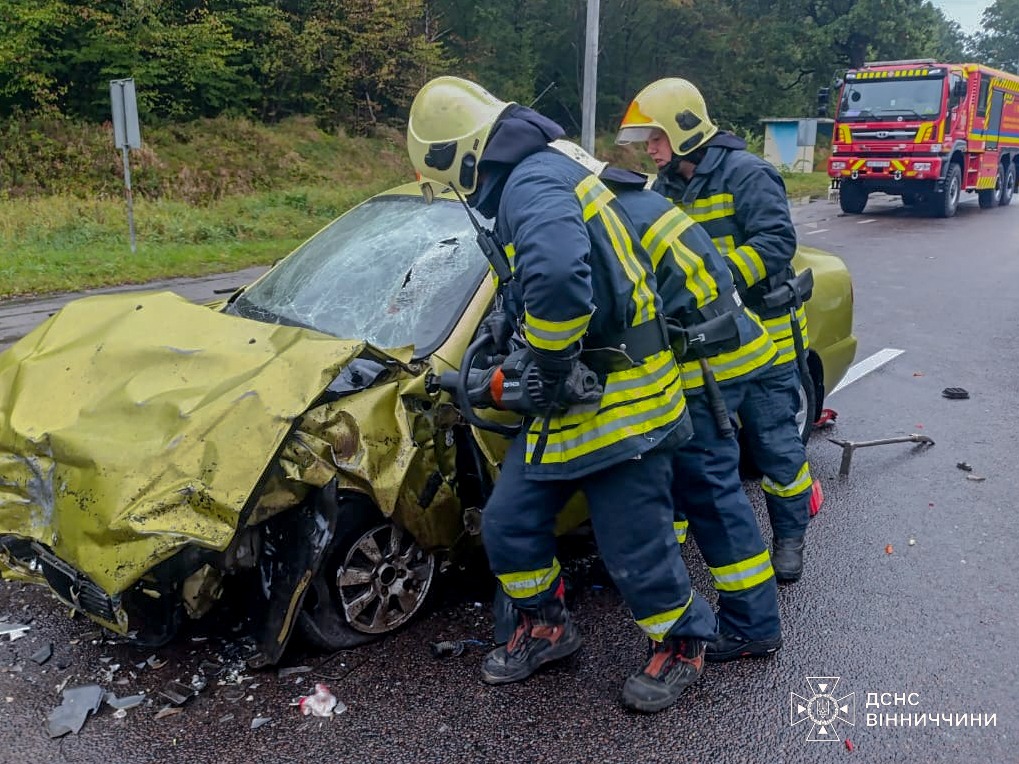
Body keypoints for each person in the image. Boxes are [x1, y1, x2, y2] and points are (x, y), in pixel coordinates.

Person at [407, 76, 716, 713]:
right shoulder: (533, 176)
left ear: (457, 154)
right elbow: (531, 284)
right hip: (572, 406)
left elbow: (557, 277)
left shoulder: (531, 180)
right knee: (509, 524)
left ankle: (682, 646)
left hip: (622, 405)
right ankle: (548, 628)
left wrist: (544, 363)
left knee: (635, 545)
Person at [554, 140, 783, 662]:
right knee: (693, 484)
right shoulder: (621, 198)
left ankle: (753, 624)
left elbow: (603, 305)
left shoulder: (593, 219)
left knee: (710, 490)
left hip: (706, 363)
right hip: (720, 345)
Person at [616, 77, 817, 582]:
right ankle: (686, 546)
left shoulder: (748, 173)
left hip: (765, 340)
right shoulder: (661, 190)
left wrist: (711, 280)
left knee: (775, 445)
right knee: (695, 451)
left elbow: (775, 244)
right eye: (648, 141)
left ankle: (789, 539)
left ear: (685, 130)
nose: (651, 149)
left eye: (657, 138)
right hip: (707, 350)